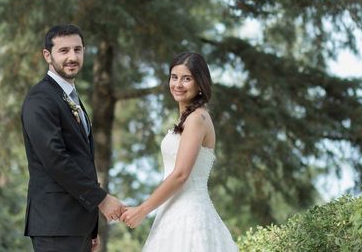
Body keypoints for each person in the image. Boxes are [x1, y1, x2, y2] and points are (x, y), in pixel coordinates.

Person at [21, 24, 125, 252]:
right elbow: (55, 159)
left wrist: (90, 227)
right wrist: (102, 199)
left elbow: (81, 160)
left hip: (76, 225)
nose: (72, 57)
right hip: (55, 225)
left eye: (78, 50)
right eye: (64, 50)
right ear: (47, 55)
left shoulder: (70, 97)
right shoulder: (41, 98)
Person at [120, 52, 238, 251]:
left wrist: (142, 210)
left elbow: (181, 174)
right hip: (172, 211)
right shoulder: (187, 119)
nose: (178, 84)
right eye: (174, 77)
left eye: (187, 78)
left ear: (200, 83)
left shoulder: (197, 119)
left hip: (188, 217)